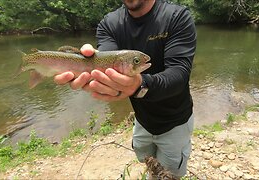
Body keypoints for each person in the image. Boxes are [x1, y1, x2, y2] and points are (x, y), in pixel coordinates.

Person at [54, 0, 196, 178]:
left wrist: (139, 86)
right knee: (148, 162)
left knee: (170, 175)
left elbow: (179, 75)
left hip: (176, 122)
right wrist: (88, 70)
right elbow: (104, 62)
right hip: (142, 120)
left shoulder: (176, 17)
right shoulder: (109, 23)